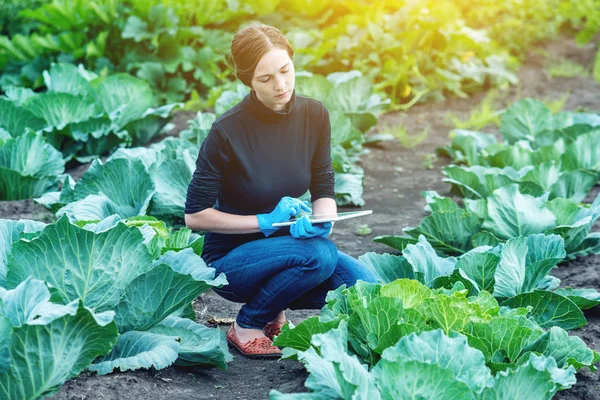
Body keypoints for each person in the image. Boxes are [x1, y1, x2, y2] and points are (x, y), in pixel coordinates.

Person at [184, 23, 377, 358]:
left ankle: (273, 309)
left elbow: (322, 181)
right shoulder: (227, 131)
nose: (281, 85)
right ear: (248, 81)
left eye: (286, 71)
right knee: (319, 256)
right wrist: (264, 221)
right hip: (230, 262)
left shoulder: (314, 114)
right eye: (266, 79)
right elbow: (195, 216)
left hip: (286, 248)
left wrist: (323, 220)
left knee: (364, 286)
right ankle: (247, 323)